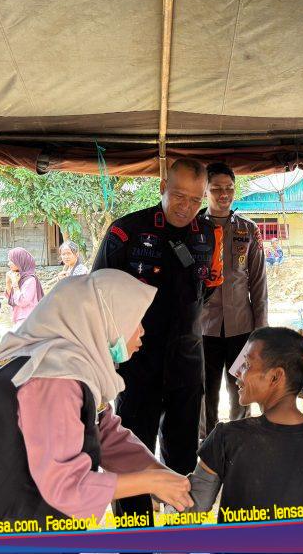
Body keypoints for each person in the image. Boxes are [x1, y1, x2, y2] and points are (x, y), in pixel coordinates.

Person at [0, 270, 193, 529]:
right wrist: (150, 483)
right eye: (135, 320)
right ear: (105, 321)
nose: (142, 332)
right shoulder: (54, 378)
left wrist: (160, 474)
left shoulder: (58, 360)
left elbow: (103, 431)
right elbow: (66, 486)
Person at [92, 158, 222, 517]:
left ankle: (180, 529)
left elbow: (206, 291)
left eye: (195, 199)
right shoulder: (126, 232)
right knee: (131, 452)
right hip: (137, 362)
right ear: (163, 187)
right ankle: (135, 533)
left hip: (186, 361)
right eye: (178, 195)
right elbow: (97, 294)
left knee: (182, 453)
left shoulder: (207, 234)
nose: (186, 207)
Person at [184, 327, 303, 521]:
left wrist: (155, 483)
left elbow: (190, 511)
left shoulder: (226, 438)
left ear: (275, 377)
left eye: (246, 364)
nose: (237, 373)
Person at [199, 162, 268, 439]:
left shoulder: (248, 230)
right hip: (204, 328)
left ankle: (240, 440)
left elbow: (258, 282)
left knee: (242, 386)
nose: (223, 194)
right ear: (205, 191)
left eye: (229, 188)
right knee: (205, 390)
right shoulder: (193, 229)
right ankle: (207, 443)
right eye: (216, 188)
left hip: (241, 328)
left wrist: (261, 329)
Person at [5, 247, 44, 329]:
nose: (8, 264)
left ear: (20, 261)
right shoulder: (18, 276)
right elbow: (11, 298)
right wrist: (8, 282)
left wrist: (15, 284)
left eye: (11, 261)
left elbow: (22, 301)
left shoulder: (30, 279)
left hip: (28, 320)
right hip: (20, 318)